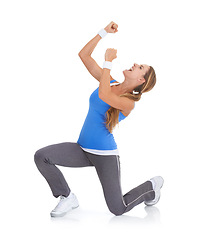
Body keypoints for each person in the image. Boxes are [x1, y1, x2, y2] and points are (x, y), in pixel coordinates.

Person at [34, 21, 164, 217]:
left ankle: (151, 187)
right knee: (41, 156)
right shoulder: (109, 81)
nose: (135, 64)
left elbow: (104, 95)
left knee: (117, 209)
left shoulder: (128, 103)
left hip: (105, 156)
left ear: (141, 80)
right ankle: (67, 197)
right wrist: (103, 33)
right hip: (81, 148)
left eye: (140, 67)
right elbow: (83, 56)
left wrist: (108, 62)